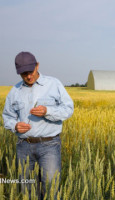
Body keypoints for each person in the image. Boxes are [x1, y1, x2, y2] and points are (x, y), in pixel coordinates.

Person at [2, 51, 74, 199]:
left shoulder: (54, 84)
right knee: (27, 191)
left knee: (51, 190)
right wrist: (15, 125)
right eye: (24, 74)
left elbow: (68, 109)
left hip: (49, 146)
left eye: (31, 72)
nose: (29, 77)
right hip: (23, 146)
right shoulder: (14, 91)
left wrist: (47, 111)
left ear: (37, 66)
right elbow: (7, 117)